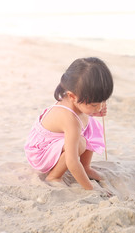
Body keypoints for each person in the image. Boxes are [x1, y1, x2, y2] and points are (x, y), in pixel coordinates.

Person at [24, 57, 113, 190]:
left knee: (92, 125)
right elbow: (72, 161)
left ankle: (85, 167)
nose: (100, 107)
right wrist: (91, 189)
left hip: (57, 140)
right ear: (72, 96)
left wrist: (94, 112)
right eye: (95, 104)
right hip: (41, 152)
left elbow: (84, 113)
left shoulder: (77, 103)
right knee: (80, 143)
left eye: (103, 101)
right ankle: (54, 176)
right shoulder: (68, 118)